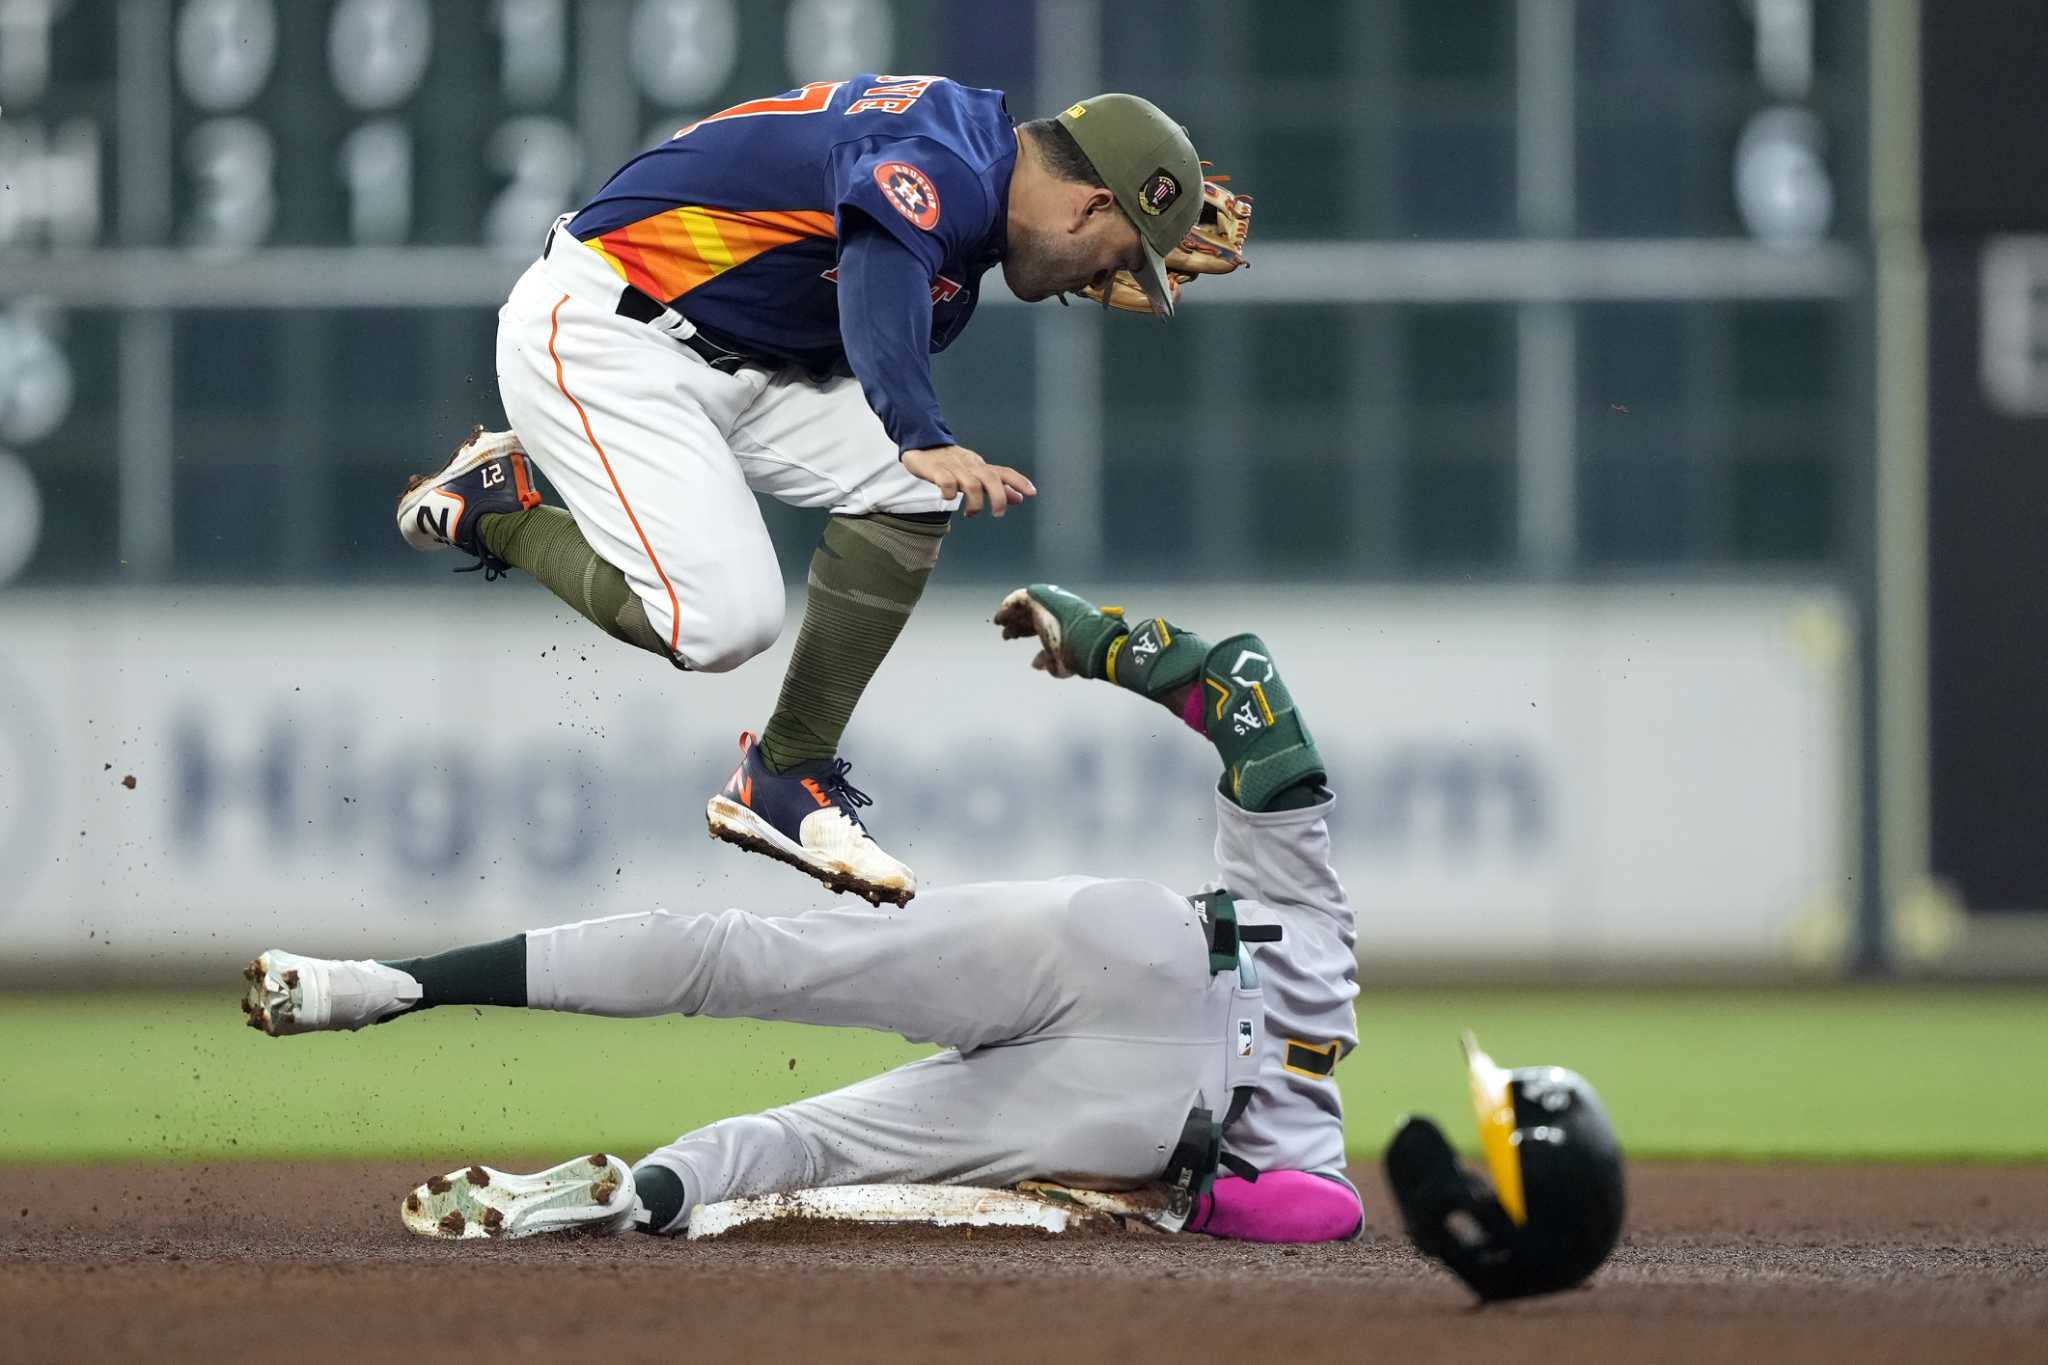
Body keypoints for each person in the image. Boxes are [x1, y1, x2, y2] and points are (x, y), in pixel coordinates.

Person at [242, 585, 1363, 1245]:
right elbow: (1320, 1216)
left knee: (743, 957)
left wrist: (1102, 637)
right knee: (805, 1146)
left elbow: (1248, 694)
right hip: (1140, 1122)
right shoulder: (1313, 1141)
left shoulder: (1322, 937)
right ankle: (642, 1194)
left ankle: (386, 985)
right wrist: (1187, 1206)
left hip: (1142, 950)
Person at [396, 77, 1213, 906]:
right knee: (723, 624)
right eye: (1121, 251)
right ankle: (494, 509)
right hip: (607, 327)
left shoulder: (983, 169)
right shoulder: (948, 164)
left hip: (744, 356)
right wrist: (917, 429)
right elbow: (879, 261)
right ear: (1088, 204)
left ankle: (784, 775)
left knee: (914, 493)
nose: (1118, 278)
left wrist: (1153, 207)